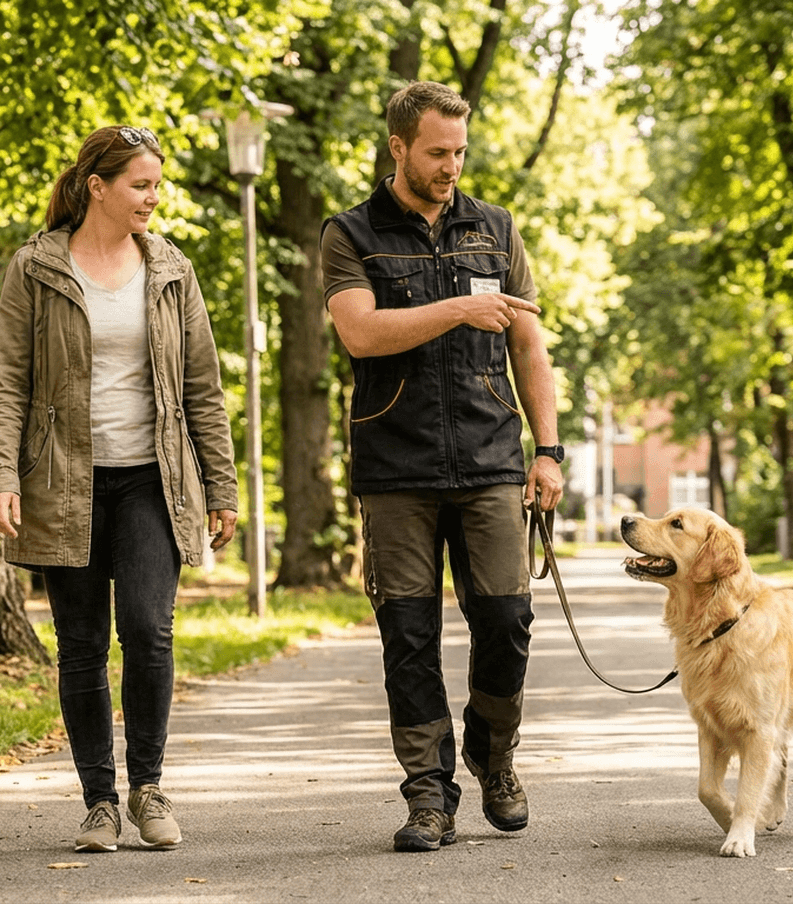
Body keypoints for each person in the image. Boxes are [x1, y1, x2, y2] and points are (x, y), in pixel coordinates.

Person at [0, 125, 238, 853]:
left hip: (151, 479)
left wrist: (222, 486)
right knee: (82, 644)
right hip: (65, 481)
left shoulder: (171, 271)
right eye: (141, 184)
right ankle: (99, 802)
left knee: (150, 632)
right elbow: (5, 382)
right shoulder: (37, 268)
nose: (154, 197)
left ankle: (149, 788)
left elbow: (202, 391)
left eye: (158, 184)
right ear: (98, 187)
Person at [322, 81, 564, 853]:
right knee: (409, 637)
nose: (451, 165)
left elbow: (529, 346)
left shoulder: (495, 231)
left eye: (460, 151)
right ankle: (428, 794)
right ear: (398, 146)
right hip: (396, 468)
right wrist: (458, 309)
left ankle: (494, 757)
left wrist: (549, 449)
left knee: (507, 621)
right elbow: (360, 333)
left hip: (493, 460)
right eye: (436, 152)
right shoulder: (351, 233)